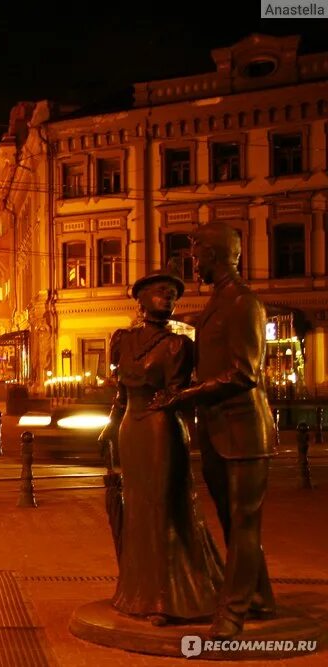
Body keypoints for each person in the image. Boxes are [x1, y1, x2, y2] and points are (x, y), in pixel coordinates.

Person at [150, 223, 277, 639]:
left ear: (216, 255)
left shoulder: (243, 303)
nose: (193, 262)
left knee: (243, 522)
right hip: (219, 428)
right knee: (232, 520)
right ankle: (260, 596)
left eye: (198, 254)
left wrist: (187, 397)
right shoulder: (217, 302)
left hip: (244, 429)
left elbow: (243, 373)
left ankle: (232, 612)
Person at [99, 267, 224, 626]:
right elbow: (120, 392)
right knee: (138, 507)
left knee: (163, 507)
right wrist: (110, 425)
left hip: (161, 427)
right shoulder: (122, 339)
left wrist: (176, 399)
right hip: (131, 428)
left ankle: (166, 598)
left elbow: (182, 392)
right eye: (161, 291)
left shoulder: (179, 345)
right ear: (140, 298)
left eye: (173, 293)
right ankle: (136, 590)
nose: (168, 297)